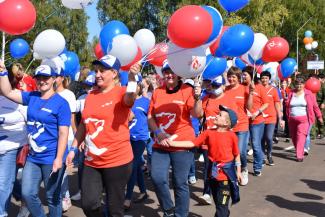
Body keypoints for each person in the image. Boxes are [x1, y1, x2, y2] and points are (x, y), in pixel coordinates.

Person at [66, 55, 140, 217]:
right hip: (92, 161)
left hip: (117, 162)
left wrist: (133, 78)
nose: (97, 74)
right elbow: (84, 124)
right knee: (89, 205)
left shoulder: (121, 92)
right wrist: (73, 149)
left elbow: (130, 99)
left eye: (102, 71)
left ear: (114, 73)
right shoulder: (91, 95)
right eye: (96, 71)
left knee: (115, 211)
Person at [0, 63, 71, 217]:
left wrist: (59, 158)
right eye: (38, 78)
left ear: (53, 79)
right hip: (33, 157)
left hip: (52, 157)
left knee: (53, 197)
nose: (41, 81)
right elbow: (7, 92)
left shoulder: (61, 103)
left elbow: (63, 133)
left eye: (45, 77)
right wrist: (3, 72)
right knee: (27, 193)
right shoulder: (31, 97)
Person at [148, 60, 202, 217]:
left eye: (172, 71)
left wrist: (198, 98)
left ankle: (180, 214)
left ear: (178, 74)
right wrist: (158, 132)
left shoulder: (187, 90)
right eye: (166, 71)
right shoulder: (158, 92)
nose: (169, 74)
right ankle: (169, 210)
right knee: (157, 178)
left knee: (180, 183)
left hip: (181, 145)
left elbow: (197, 114)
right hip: (161, 143)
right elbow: (150, 116)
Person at [166, 105, 241, 217]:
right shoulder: (208, 133)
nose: (216, 115)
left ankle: (222, 213)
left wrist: (238, 171)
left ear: (226, 123)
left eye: (220, 115)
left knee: (222, 207)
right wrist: (173, 144)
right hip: (212, 175)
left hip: (226, 177)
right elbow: (192, 143)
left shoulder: (232, 136)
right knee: (218, 203)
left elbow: (236, 154)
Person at [197, 75, 238, 204]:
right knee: (208, 167)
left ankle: (227, 188)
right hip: (208, 137)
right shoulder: (206, 98)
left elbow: (233, 121)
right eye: (212, 85)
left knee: (222, 167)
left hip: (223, 139)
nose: (213, 88)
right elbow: (199, 114)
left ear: (223, 86)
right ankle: (206, 193)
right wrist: (197, 98)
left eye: (216, 86)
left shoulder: (229, 100)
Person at [0, 69, 28, 217]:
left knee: (4, 182)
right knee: (11, 180)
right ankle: (26, 198)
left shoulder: (17, 98)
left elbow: (32, 122)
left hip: (12, 148)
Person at [124, 81, 150, 210]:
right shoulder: (126, 100)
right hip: (126, 137)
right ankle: (144, 191)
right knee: (137, 165)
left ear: (140, 87)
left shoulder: (146, 101)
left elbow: (152, 118)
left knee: (133, 165)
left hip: (140, 138)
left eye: (136, 85)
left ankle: (127, 198)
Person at [71, 71, 96, 201]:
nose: (89, 89)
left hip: (98, 140)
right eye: (87, 86)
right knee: (82, 165)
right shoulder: (81, 99)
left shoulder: (103, 99)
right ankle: (81, 190)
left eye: (92, 86)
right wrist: (78, 137)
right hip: (83, 138)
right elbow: (74, 117)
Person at [54, 67, 77, 212]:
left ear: (62, 78)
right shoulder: (47, 94)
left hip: (67, 138)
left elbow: (72, 119)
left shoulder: (69, 95)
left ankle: (65, 197)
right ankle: (62, 195)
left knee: (61, 171)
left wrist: (76, 138)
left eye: (56, 76)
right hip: (51, 138)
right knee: (54, 170)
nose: (54, 79)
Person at [286, 75, 323, 162]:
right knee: (294, 138)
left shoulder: (309, 93)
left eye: (301, 84)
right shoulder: (291, 93)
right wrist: (286, 101)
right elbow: (287, 105)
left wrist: (319, 116)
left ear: (304, 84)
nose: (299, 86)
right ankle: (299, 150)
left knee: (301, 136)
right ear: (295, 84)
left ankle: (299, 155)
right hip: (292, 119)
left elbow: (315, 107)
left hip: (304, 120)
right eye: (297, 84)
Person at [225, 66, 250, 185]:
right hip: (228, 126)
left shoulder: (245, 89)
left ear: (238, 78)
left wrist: (252, 93)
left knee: (240, 151)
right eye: (229, 76)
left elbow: (249, 107)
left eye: (233, 77)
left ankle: (244, 168)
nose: (231, 79)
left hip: (242, 125)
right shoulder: (225, 89)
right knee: (230, 152)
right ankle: (234, 172)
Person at [242, 66, 268, 176]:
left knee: (256, 145)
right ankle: (243, 168)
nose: (243, 76)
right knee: (242, 147)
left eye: (245, 75)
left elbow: (266, 103)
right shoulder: (240, 87)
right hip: (244, 121)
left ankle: (257, 167)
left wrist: (256, 113)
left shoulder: (260, 87)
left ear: (251, 76)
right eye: (242, 74)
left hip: (257, 121)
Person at [260, 71, 283, 166]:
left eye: (266, 78)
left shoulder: (273, 90)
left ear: (269, 79)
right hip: (260, 117)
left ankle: (269, 154)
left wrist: (280, 117)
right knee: (261, 138)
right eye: (263, 78)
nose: (264, 80)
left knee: (269, 138)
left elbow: (277, 103)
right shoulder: (258, 89)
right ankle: (261, 156)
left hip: (271, 118)